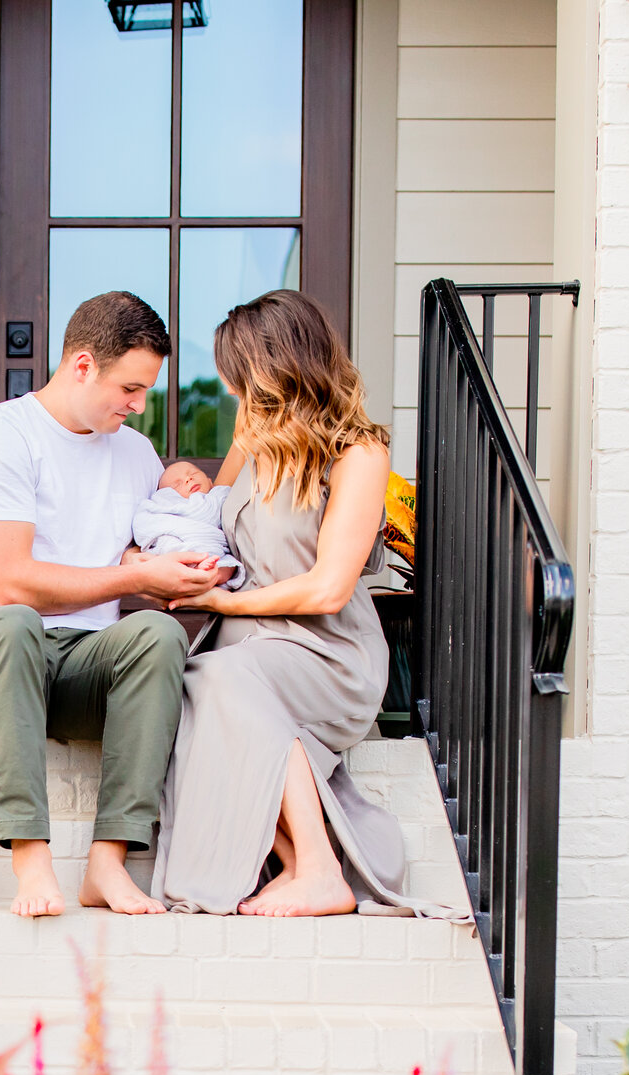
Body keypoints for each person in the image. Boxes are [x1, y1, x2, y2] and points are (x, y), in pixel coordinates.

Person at [148, 288, 458, 920]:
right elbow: (215, 513)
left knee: (221, 678)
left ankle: (320, 870)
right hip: (248, 648)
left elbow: (329, 588)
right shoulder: (250, 433)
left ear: (277, 367)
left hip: (329, 653)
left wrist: (226, 605)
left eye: (241, 378)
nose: (234, 394)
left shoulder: (360, 453)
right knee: (196, 684)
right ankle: (295, 863)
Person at [0, 291, 224, 918]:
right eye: (129, 387)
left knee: (156, 634)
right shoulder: (0, 436)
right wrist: (131, 577)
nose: (138, 405)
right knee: (13, 621)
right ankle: (31, 856)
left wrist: (176, 574)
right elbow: (13, 581)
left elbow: (131, 567)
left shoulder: (136, 452)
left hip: (80, 665)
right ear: (82, 365)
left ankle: (108, 862)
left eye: (146, 391)